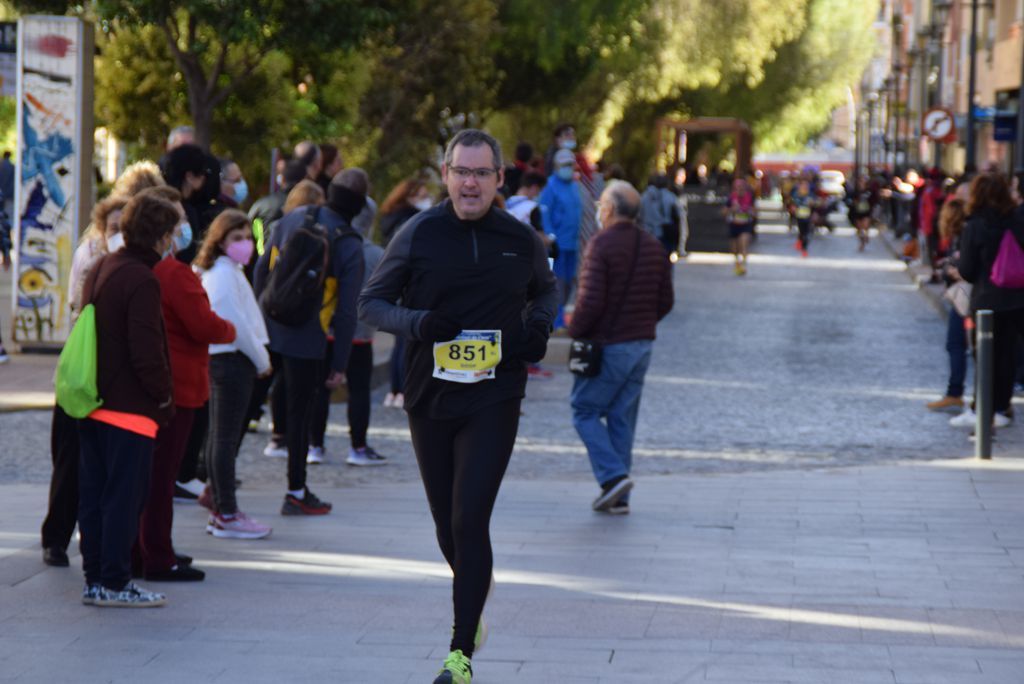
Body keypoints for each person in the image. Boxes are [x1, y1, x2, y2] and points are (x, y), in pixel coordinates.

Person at [359, 129, 557, 684]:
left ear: (499, 179)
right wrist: (419, 323)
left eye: (481, 173)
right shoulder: (418, 234)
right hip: (431, 395)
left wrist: (539, 326)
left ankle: (459, 653)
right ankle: (474, 597)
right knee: (450, 528)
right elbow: (371, 303)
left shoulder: (521, 239)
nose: (470, 183)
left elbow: (545, 291)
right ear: (445, 176)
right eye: (460, 172)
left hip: (495, 393)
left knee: (472, 516)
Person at [77, 191, 179, 608]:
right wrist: (164, 397)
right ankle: (117, 582)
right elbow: (146, 348)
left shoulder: (104, 265)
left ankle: (96, 579)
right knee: (123, 497)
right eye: (172, 231)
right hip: (129, 407)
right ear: (160, 236)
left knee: (96, 496)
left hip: (94, 400)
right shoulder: (141, 278)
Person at [131, 186, 235, 578]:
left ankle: (149, 549)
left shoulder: (142, 269)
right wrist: (229, 328)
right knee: (161, 479)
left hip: (162, 383)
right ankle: (157, 554)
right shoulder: (173, 272)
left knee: (153, 477)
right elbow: (205, 325)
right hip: (180, 384)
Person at [254, 169, 367, 516]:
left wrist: (259, 318)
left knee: (245, 409)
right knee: (299, 418)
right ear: (360, 206)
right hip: (307, 338)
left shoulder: (295, 218)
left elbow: (261, 268)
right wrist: (339, 364)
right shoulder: (349, 243)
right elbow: (347, 313)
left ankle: (215, 487)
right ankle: (296, 491)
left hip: (268, 327)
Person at [569, 180, 674, 515]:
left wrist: (575, 329)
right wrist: (643, 323)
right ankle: (619, 497)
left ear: (610, 209)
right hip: (642, 345)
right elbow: (666, 300)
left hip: (609, 344)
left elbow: (590, 300)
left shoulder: (601, 244)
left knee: (583, 409)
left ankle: (613, 477)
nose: (599, 210)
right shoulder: (653, 245)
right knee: (621, 417)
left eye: (601, 204)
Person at [40, 194, 128, 568]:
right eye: (113, 228)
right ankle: (56, 537)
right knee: (70, 458)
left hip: (112, 377)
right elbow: (79, 310)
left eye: (126, 228)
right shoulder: (93, 262)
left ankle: (96, 542)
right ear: (101, 230)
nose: (119, 235)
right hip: (82, 371)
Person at [196, 210, 274, 538]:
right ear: (220, 240)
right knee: (225, 438)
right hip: (232, 360)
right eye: (236, 238)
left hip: (231, 359)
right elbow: (234, 324)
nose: (244, 245)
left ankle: (221, 506)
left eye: (247, 237)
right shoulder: (223, 274)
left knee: (221, 436)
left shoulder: (228, 271)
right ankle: (226, 510)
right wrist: (260, 359)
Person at [953, 173, 1024, 430]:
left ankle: (982, 410)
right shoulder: (1017, 219)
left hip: (987, 299)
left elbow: (968, 270)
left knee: (985, 357)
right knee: (1007, 355)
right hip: (1018, 298)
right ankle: (1002, 408)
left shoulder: (976, 224)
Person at [378, 177, 433, 408]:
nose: (426, 200)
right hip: (410, 285)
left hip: (394, 285)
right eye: (421, 195)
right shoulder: (413, 220)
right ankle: (403, 390)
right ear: (409, 197)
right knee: (406, 342)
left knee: (398, 342)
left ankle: (394, 390)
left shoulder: (389, 219)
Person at [927, 196, 970, 413]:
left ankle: (955, 393)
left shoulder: (966, 233)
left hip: (966, 294)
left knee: (956, 344)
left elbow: (969, 267)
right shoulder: (966, 232)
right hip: (966, 293)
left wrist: (952, 270)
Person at [539, 148, 582, 328]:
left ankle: (561, 318)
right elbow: (544, 211)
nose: (568, 168)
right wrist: (550, 235)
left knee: (569, 283)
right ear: (556, 166)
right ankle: (555, 322)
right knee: (558, 283)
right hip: (557, 245)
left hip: (572, 243)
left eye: (570, 165)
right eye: (564, 165)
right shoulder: (550, 186)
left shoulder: (574, 185)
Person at [726, 178, 756, 275]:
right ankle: (737, 263)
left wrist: (750, 211)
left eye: (742, 188)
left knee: (743, 244)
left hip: (745, 225)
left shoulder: (750, 197)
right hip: (734, 225)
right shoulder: (731, 198)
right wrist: (732, 209)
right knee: (734, 249)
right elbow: (723, 211)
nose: (739, 190)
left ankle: (743, 265)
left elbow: (755, 211)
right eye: (737, 188)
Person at [848, 176, 876, 252]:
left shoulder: (869, 191)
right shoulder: (855, 191)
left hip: (866, 211)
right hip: (857, 212)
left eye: (863, 181)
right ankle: (862, 242)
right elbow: (851, 200)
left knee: (865, 226)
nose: (861, 183)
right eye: (860, 181)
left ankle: (866, 236)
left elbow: (874, 200)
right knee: (859, 229)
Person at [789, 179, 814, 257]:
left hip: (808, 216)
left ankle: (804, 248)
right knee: (802, 232)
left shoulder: (810, 194)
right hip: (799, 216)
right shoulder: (796, 194)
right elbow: (792, 203)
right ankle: (801, 245)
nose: (805, 186)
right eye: (803, 184)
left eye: (806, 185)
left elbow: (814, 205)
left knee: (807, 233)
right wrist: (793, 208)